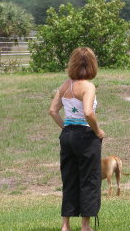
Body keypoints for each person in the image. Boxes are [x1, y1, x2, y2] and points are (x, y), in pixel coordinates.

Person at [49, 47, 105, 231]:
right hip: (85, 135)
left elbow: (53, 111)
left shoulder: (65, 85)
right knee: (89, 179)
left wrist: (66, 127)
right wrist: (97, 131)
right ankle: (85, 226)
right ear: (92, 65)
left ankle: (65, 225)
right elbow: (88, 112)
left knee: (70, 178)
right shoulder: (88, 86)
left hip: (67, 136)